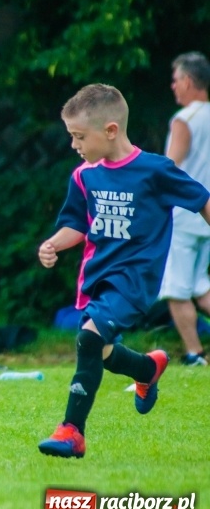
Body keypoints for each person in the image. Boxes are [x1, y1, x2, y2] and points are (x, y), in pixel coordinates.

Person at [37, 84, 210, 459]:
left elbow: (202, 200)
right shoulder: (85, 176)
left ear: (110, 130)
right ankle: (148, 368)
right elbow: (77, 225)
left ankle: (72, 431)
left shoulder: (154, 170)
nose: (74, 145)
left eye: (80, 137)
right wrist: (53, 244)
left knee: (87, 339)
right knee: (100, 350)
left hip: (135, 280)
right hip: (96, 276)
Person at [159, 51, 210, 367]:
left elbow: (169, 168)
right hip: (208, 215)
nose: (173, 86)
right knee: (200, 287)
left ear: (189, 81)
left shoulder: (184, 119)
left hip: (184, 214)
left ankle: (195, 355)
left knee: (176, 289)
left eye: (176, 80)